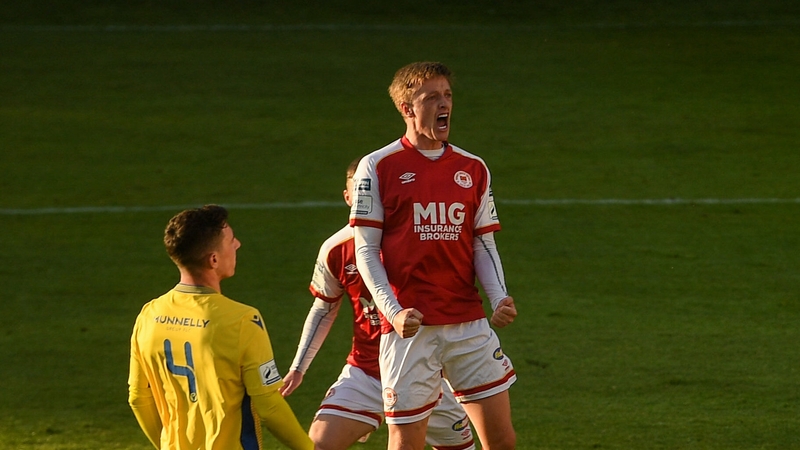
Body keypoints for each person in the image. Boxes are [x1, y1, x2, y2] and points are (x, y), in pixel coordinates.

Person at [349, 62, 518, 450]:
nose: (445, 104)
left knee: (502, 440)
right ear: (407, 108)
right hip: (411, 331)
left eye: (448, 95)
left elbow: (482, 243)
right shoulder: (377, 166)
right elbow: (365, 249)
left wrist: (499, 297)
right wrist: (393, 311)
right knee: (407, 442)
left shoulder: (472, 168)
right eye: (432, 97)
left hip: (468, 324)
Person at [280, 158, 476, 450]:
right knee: (319, 444)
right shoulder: (335, 249)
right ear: (347, 197)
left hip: (422, 372)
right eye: (358, 193)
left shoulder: (422, 238)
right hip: (367, 373)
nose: (365, 201)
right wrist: (299, 368)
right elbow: (324, 308)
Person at [128, 205, 314, 450]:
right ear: (213, 259)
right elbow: (269, 405)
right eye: (230, 241)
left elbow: (138, 398)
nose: (237, 245)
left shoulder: (148, 315)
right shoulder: (242, 320)